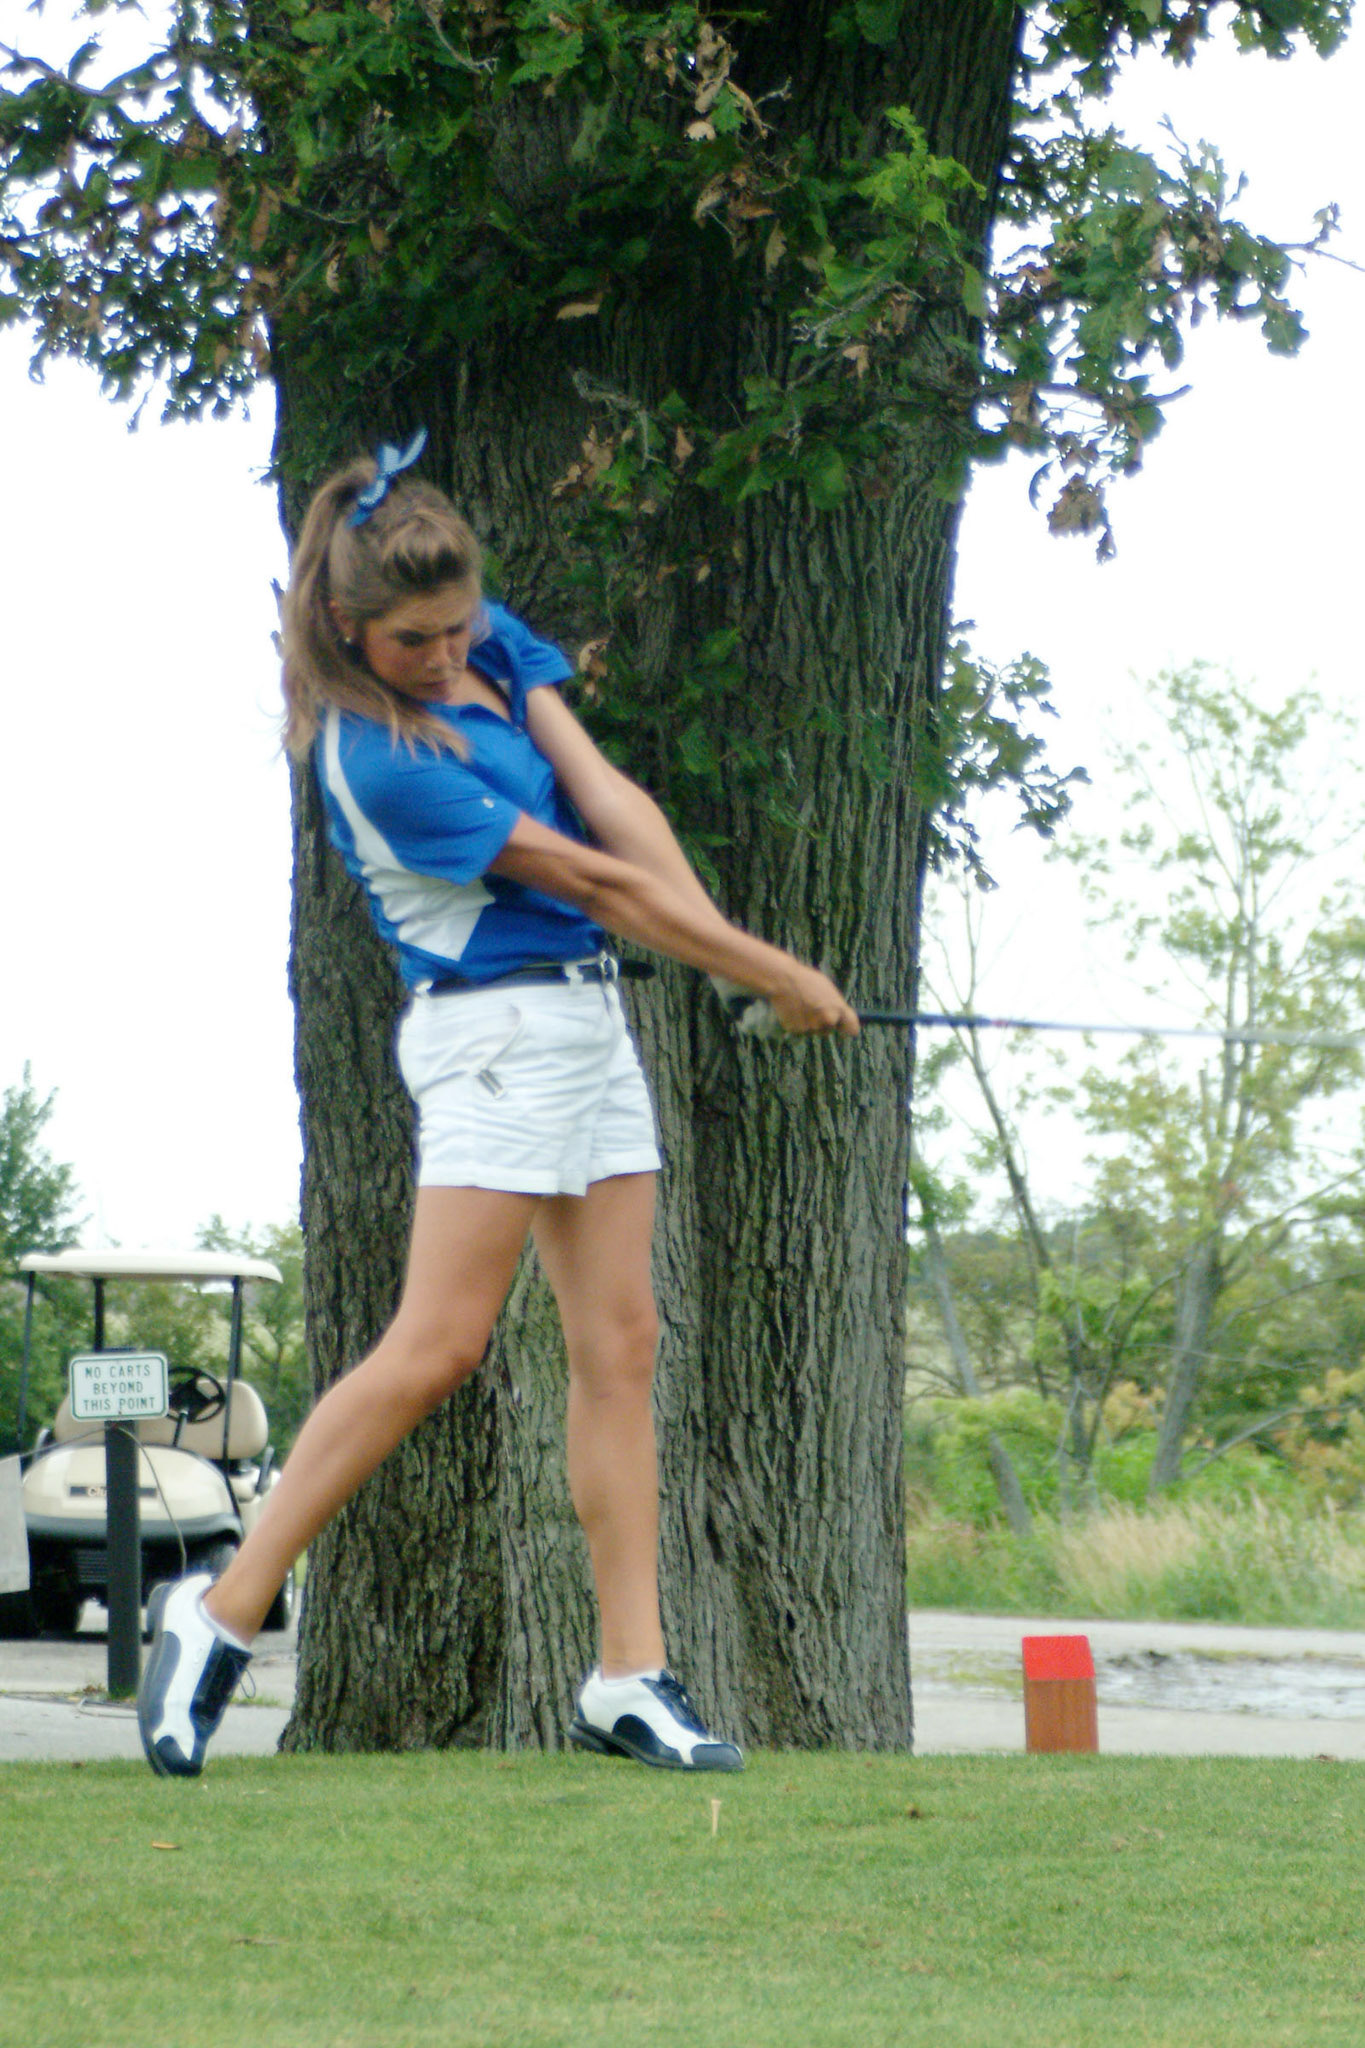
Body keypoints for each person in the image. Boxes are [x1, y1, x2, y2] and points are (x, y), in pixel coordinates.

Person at [137, 430, 858, 1780]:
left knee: (624, 1344)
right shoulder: (375, 757)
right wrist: (772, 971)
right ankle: (219, 1610)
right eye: (412, 640)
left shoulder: (488, 641)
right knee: (438, 1348)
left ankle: (628, 1675)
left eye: (458, 628)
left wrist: (726, 953)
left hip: (586, 1022)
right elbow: (591, 881)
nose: (444, 654)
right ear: (346, 627)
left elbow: (609, 803)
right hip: (490, 1036)